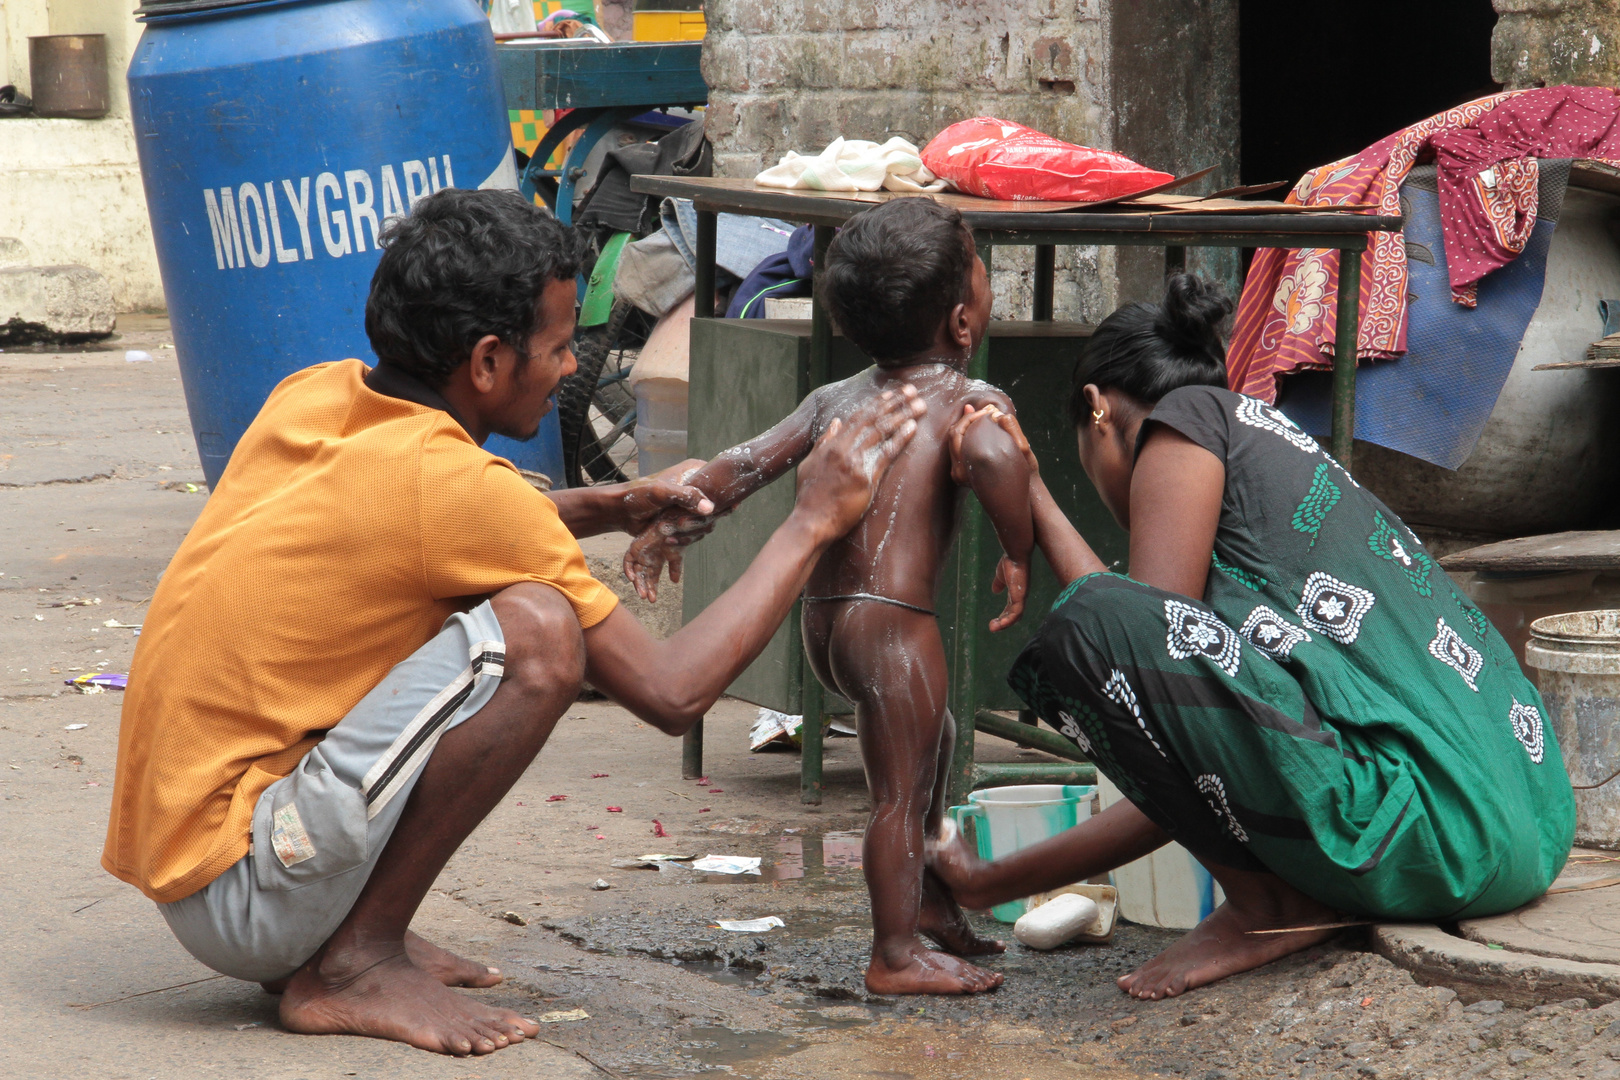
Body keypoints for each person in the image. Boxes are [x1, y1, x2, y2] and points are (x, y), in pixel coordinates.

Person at [101, 188, 927, 1056]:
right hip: (247, 894)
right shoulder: (459, 491)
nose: (573, 368)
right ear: (489, 362)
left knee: (494, 607)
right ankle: (352, 962)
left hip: (197, 853)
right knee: (537, 632)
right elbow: (674, 693)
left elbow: (421, 523)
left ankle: (344, 928)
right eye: (562, 346)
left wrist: (612, 503)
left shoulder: (316, 396)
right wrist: (812, 520)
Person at [929, 273, 1576, 1000]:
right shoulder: (1252, 436)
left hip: (1440, 838)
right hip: (1528, 826)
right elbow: (1156, 657)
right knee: (1104, 616)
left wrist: (992, 878)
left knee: (1089, 624)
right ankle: (1273, 898)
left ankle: (1270, 905)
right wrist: (1036, 492)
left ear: (1097, 408)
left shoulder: (1182, 424)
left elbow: (1140, 654)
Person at [626, 198, 1035, 995]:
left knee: (936, 743)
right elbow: (991, 456)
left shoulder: (835, 400)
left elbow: (742, 465)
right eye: (983, 270)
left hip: (827, 623)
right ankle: (894, 953)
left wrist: (674, 518)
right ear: (962, 319)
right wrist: (1018, 548)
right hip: (896, 626)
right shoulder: (968, 400)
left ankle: (929, 909)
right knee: (902, 790)